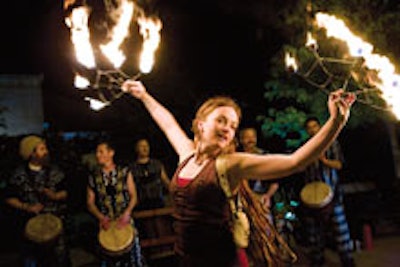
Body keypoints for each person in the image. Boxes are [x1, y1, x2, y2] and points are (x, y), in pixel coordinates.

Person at [121, 80, 355, 267]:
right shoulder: (187, 156)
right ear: (200, 124)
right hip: (186, 259)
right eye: (221, 120)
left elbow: (295, 161)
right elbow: (169, 124)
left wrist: (336, 122)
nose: (227, 129)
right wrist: (143, 95)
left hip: (221, 261)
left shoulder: (231, 164)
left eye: (233, 126)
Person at [4, 135, 70, 267]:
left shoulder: (55, 170)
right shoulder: (18, 174)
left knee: (60, 259)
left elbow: (67, 192)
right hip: (30, 227)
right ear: (32, 153)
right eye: (42, 149)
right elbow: (9, 198)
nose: (46, 151)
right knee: (32, 260)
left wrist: (55, 196)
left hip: (55, 225)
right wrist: (27, 207)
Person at [300, 116, 355, 267]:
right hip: (311, 196)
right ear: (307, 130)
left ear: (319, 127)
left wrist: (324, 161)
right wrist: (307, 161)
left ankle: (347, 259)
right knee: (314, 234)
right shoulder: (305, 146)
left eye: (314, 126)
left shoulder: (331, 142)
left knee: (340, 230)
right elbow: (298, 167)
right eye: (309, 127)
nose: (312, 130)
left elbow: (338, 165)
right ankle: (317, 259)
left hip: (332, 194)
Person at [86, 141, 145, 267]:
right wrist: (101, 217)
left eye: (101, 151)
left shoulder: (124, 172)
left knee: (133, 260)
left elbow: (134, 196)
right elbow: (90, 203)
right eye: (97, 152)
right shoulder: (94, 176)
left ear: (111, 153)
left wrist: (127, 213)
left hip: (125, 221)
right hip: (105, 224)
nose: (98, 155)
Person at [239, 127, 279, 221]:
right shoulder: (238, 158)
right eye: (247, 137)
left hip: (264, 199)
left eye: (253, 137)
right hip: (245, 200)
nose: (251, 140)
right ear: (241, 140)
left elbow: (275, 181)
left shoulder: (264, 156)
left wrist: (268, 195)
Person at [130, 138, 170, 211]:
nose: (145, 148)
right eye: (142, 146)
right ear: (137, 149)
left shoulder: (157, 164)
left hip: (158, 203)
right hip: (141, 205)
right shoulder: (132, 169)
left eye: (146, 146)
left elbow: (165, 181)